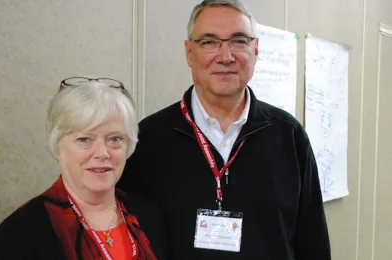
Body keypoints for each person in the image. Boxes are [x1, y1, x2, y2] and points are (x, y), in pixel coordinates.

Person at [117, 0, 331, 259]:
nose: (226, 56)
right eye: (209, 42)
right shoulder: (150, 139)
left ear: (255, 49)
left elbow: (313, 242)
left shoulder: (289, 136)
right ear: (189, 53)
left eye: (239, 41)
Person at [0, 77, 166, 260]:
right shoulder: (19, 235)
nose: (102, 153)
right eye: (85, 139)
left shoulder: (149, 216)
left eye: (114, 139)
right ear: (58, 145)